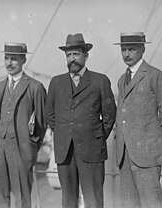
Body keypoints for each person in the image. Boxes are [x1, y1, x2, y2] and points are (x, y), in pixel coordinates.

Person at [46, 33, 116, 208]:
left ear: (86, 55)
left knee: (93, 200)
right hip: (65, 152)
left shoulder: (100, 81)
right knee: (68, 200)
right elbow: (50, 115)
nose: (72, 59)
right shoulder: (56, 83)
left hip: (92, 150)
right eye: (68, 55)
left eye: (76, 54)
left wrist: (95, 136)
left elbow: (109, 115)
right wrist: (65, 134)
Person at [0, 42, 47, 208]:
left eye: (14, 59)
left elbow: (42, 124)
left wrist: (30, 147)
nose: (9, 63)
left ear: (23, 60)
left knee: (22, 198)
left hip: (21, 151)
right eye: (6, 58)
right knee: (0, 197)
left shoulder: (35, 87)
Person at [114, 32, 162, 208]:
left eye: (131, 49)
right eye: (123, 49)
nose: (126, 54)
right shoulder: (121, 80)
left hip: (148, 156)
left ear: (142, 49)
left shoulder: (155, 76)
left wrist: (154, 142)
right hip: (125, 155)